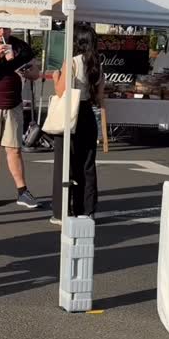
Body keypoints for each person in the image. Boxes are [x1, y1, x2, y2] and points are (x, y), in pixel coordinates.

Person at [0, 25, 40, 209]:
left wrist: (24, 71)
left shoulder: (21, 47)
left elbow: (35, 72)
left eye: (5, 29)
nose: (2, 32)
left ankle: (22, 191)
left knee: (14, 149)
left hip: (14, 104)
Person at [51, 25, 104, 225]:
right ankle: (87, 210)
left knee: (67, 164)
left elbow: (60, 91)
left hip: (70, 114)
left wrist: (56, 76)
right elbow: (99, 96)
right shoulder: (97, 63)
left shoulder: (71, 62)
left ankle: (64, 210)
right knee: (87, 164)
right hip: (88, 113)